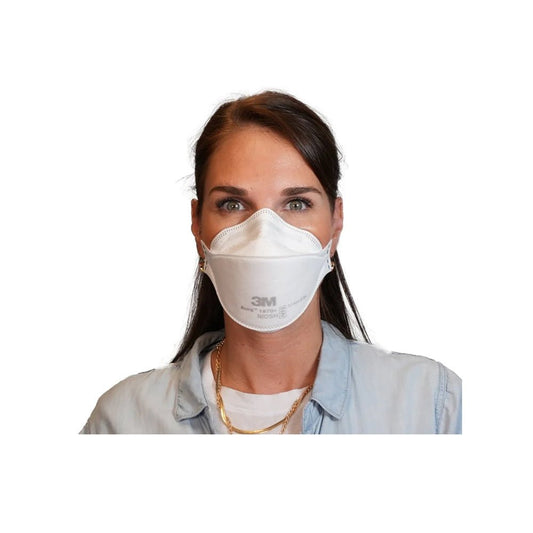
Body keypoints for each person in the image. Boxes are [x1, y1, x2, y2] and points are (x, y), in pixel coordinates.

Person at [81, 90, 462, 434]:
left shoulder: (430, 403)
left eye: (296, 203)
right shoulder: (124, 420)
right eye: (233, 204)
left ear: (335, 223)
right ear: (197, 225)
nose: (264, 234)